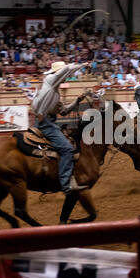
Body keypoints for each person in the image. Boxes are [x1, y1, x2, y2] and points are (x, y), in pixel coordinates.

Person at [31, 61, 89, 200]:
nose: (65, 78)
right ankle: (66, 184)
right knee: (67, 149)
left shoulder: (53, 92)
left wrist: (77, 100)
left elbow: (63, 111)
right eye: (62, 74)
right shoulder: (51, 81)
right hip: (46, 123)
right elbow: (68, 69)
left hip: (46, 122)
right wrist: (83, 64)